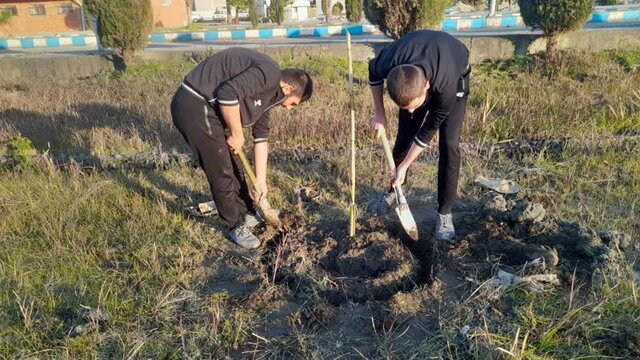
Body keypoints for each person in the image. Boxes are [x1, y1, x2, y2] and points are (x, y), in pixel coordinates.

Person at [171, 47, 313, 249]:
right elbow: (227, 93)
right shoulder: (269, 73)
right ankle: (234, 225)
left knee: (235, 161)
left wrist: (261, 181)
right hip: (193, 103)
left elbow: (261, 139)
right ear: (289, 88)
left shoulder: (269, 97)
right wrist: (237, 133)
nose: (289, 108)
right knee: (221, 168)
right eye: (293, 104)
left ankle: (246, 211)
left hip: (211, 110)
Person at [367, 30, 471, 241]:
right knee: (404, 136)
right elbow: (373, 75)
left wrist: (405, 166)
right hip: (418, 64)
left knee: (449, 144)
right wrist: (380, 113)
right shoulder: (388, 61)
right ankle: (393, 191)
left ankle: (444, 212)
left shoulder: (446, 86)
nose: (413, 111)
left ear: (426, 86)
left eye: (416, 105)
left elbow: (428, 130)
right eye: (406, 107)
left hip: (455, 72)